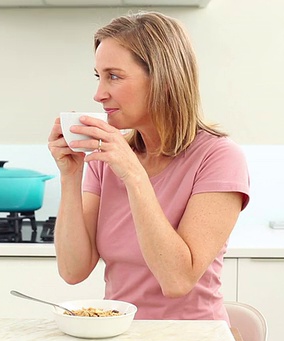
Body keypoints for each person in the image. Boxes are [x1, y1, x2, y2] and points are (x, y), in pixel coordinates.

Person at [47, 11, 250, 323]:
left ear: (163, 79)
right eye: (98, 76)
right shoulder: (107, 159)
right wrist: (70, 176)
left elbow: (178, 281)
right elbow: (73, 271)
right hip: (117, 337)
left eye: (114, 76)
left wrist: (133, 175)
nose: (99, 94)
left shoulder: (218, 158)